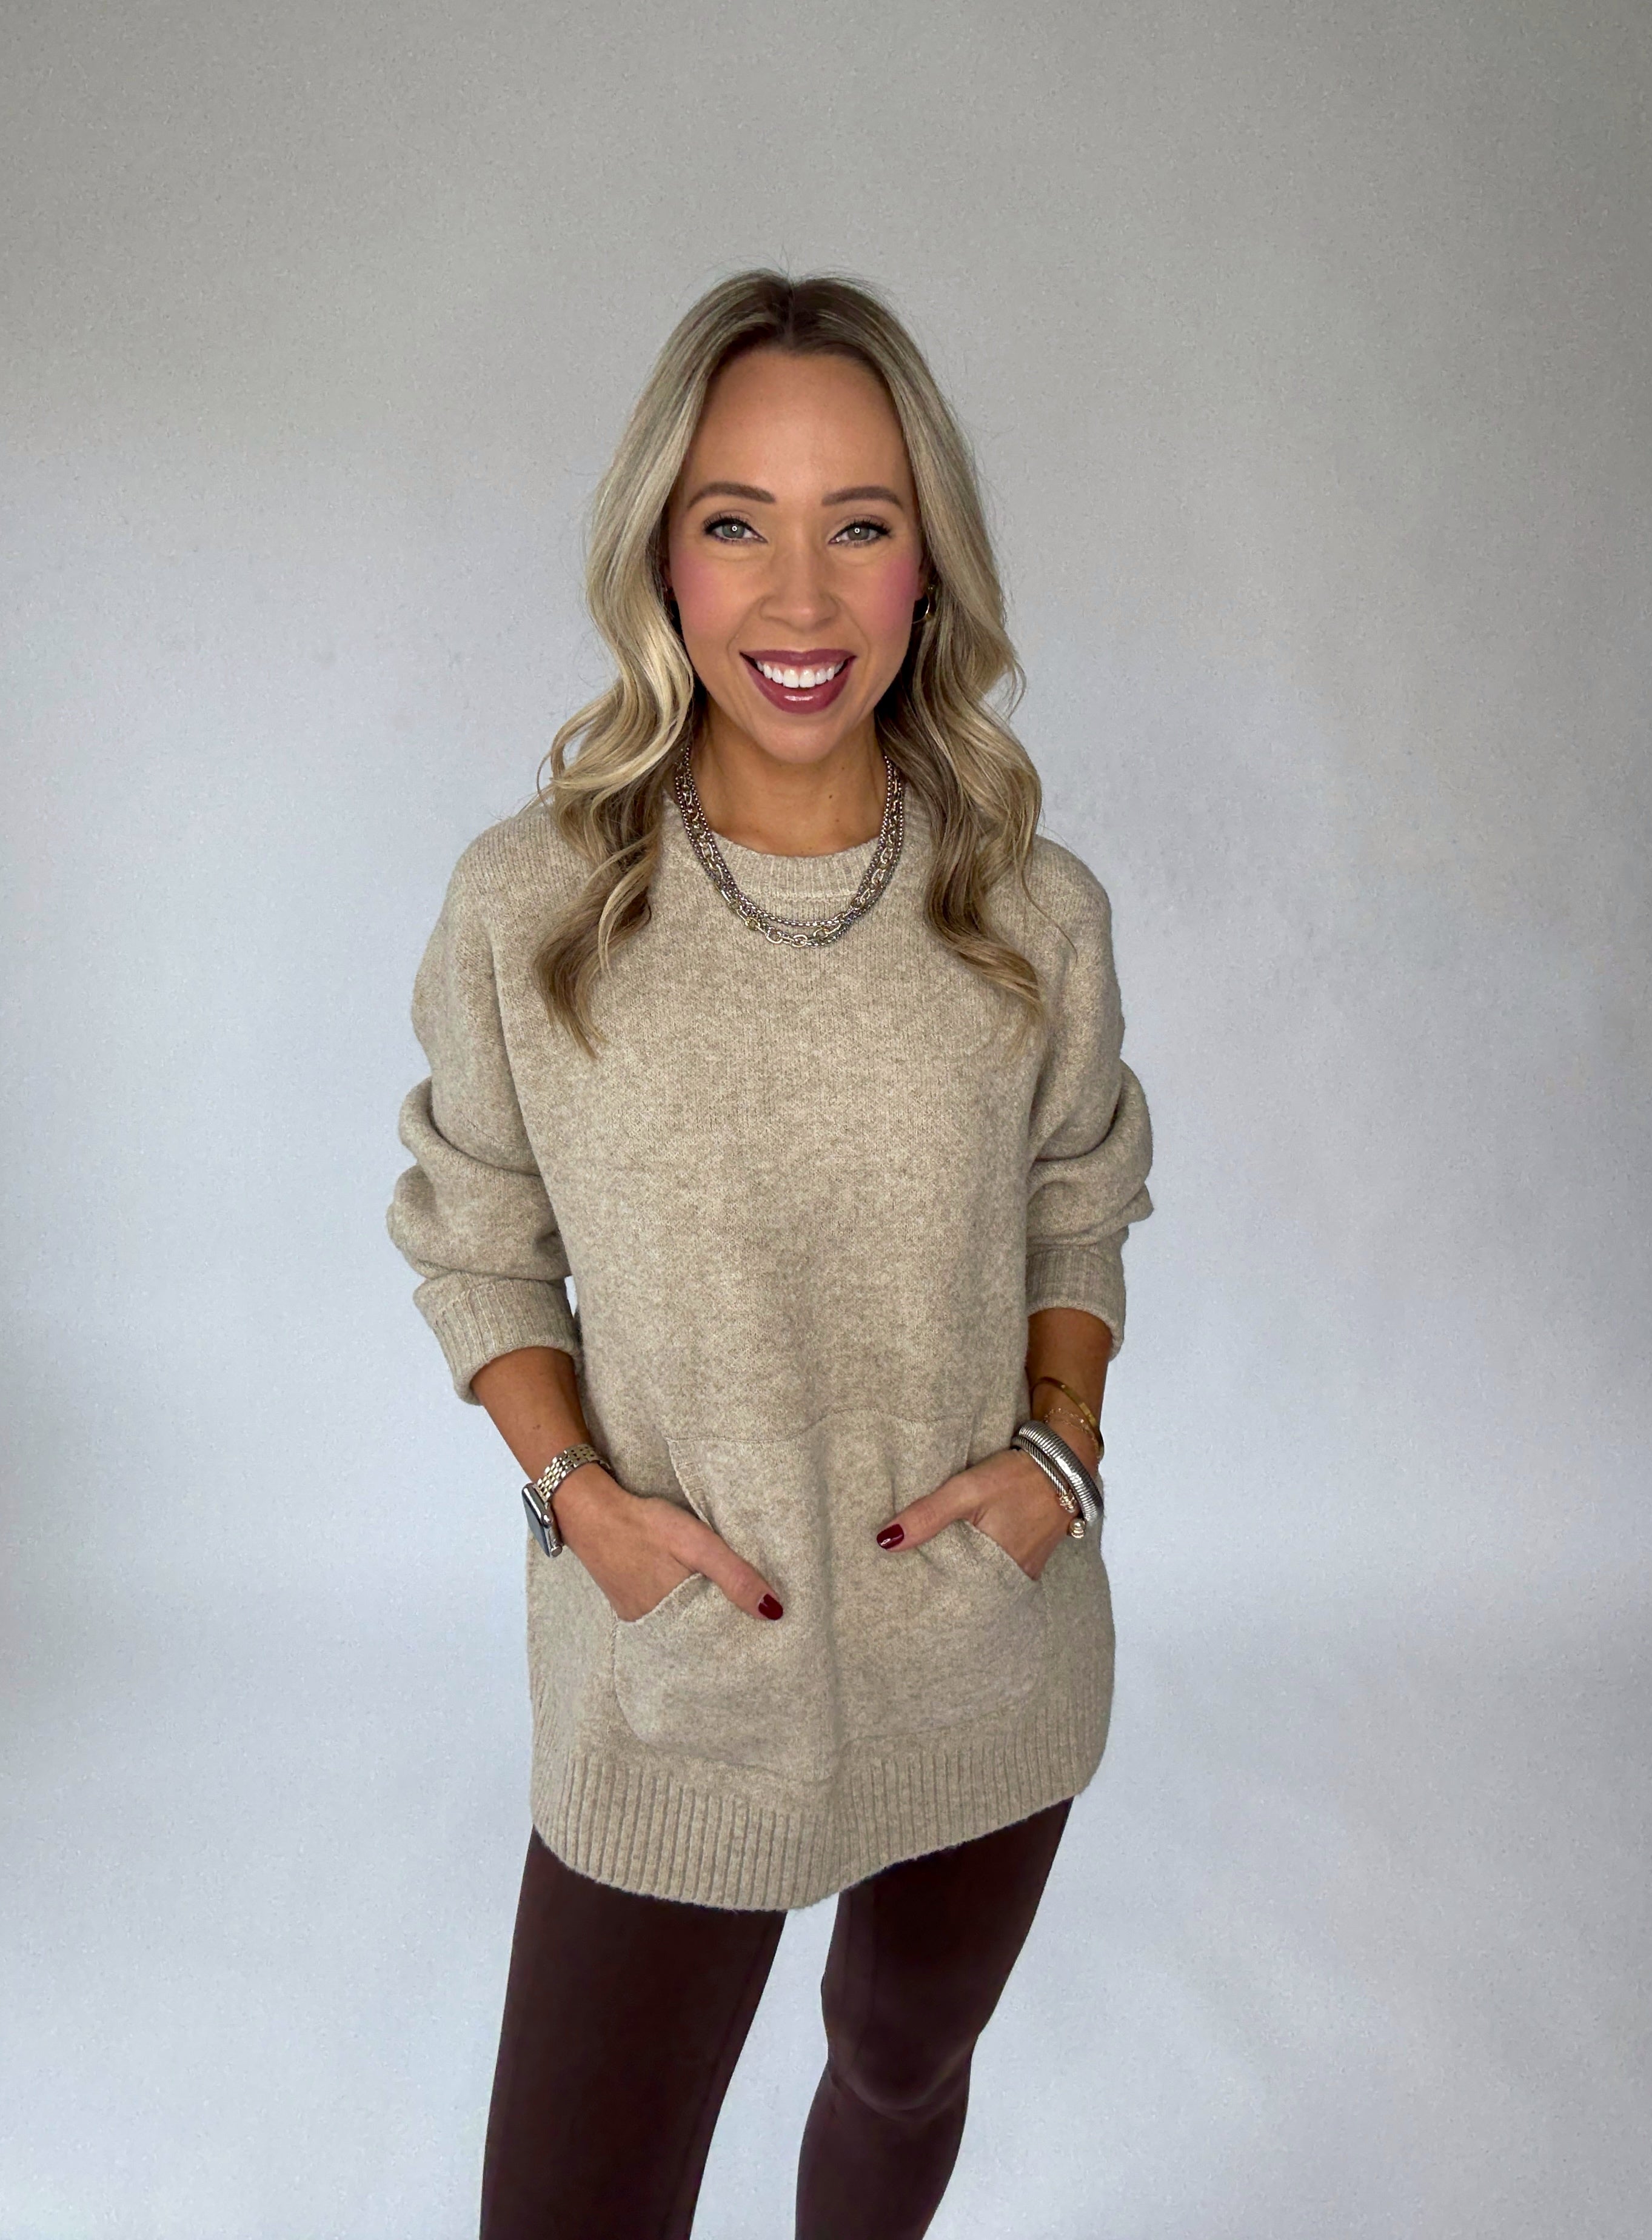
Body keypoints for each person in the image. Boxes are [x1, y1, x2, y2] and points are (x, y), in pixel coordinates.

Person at [387, 268, 1154, 2240]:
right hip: (676, 1677)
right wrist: (579, 1504)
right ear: (661, 552)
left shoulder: (1029, 910)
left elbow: (1079, 1192)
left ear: (927, 565)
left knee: (900, 2069)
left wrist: (1058, 1457)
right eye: (736, 522)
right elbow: (475, 1234)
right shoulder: (535, 907)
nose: (798, 600)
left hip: (977, 1646)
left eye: (859, 524)